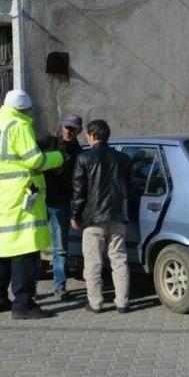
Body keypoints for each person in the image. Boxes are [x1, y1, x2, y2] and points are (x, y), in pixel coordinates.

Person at [0, 89, 65, 319]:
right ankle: (23, 304)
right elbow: (35, 160)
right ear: (24, 109)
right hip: (22, 199)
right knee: (26, 252)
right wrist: (59, 157)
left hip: (1, 199)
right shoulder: (19, 126)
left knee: (2, 251)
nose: (30, 114)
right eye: (28, 110)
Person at [71, 120, 133, 314]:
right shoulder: (123, 158)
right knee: (119, 260)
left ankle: (96, 303)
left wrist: (75, 215)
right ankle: (122, 302)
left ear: (91, 135)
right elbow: (130, 187)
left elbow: (79, 191)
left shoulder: (84, 158)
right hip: (118, 216)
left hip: (93, 219)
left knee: (93, 263)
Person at [37, 114, 84, 301]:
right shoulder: (49, 142)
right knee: (34, 248)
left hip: (60, 203)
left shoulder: (79, 153)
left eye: (73, 128)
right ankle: (29, 287)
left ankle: (59, 287)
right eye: (66, 127)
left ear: (79, 131)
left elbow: (77, 182)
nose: (69, 131)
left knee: (60, 249)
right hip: (39, 202)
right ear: (61, 127)